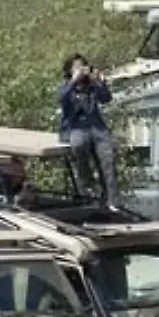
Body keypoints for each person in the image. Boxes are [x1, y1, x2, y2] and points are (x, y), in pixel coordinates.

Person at [58, 54, 119, 209]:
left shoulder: (91, 85)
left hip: (96, 126)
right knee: (78, 145)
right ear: (70, 70)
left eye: (82, 66)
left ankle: (112, 200)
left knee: (108, 157)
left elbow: (106, 98)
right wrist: (74, 81)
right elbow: (62, 99)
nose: (81, 70)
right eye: (77, 67)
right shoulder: (66, 86)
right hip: (76, 127)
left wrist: (99, 81)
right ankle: (89, 185)